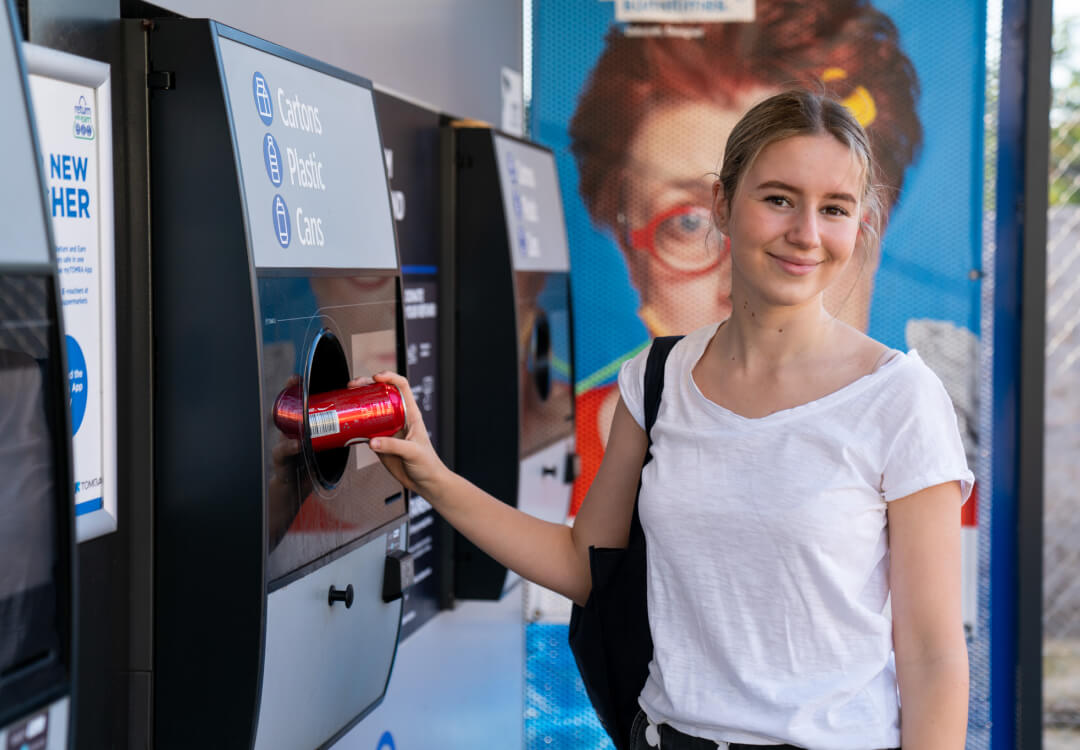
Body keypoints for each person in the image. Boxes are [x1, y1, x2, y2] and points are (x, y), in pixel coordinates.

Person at [367, 90, 971, 748]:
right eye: (778, 198)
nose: (806, 232)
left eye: (834, 209)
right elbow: (582, 564)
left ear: (860, 225)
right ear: (723, 205)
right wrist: (433, 479)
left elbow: (932, 656)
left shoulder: (899, 398)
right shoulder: (655, 382)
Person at [567, 0, 923, 516]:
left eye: (832, 208)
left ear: (872, 224)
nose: (751, 271)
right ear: (627, 250)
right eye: (686, 223)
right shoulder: (596, 433)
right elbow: (582, 563)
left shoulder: (910, 424)